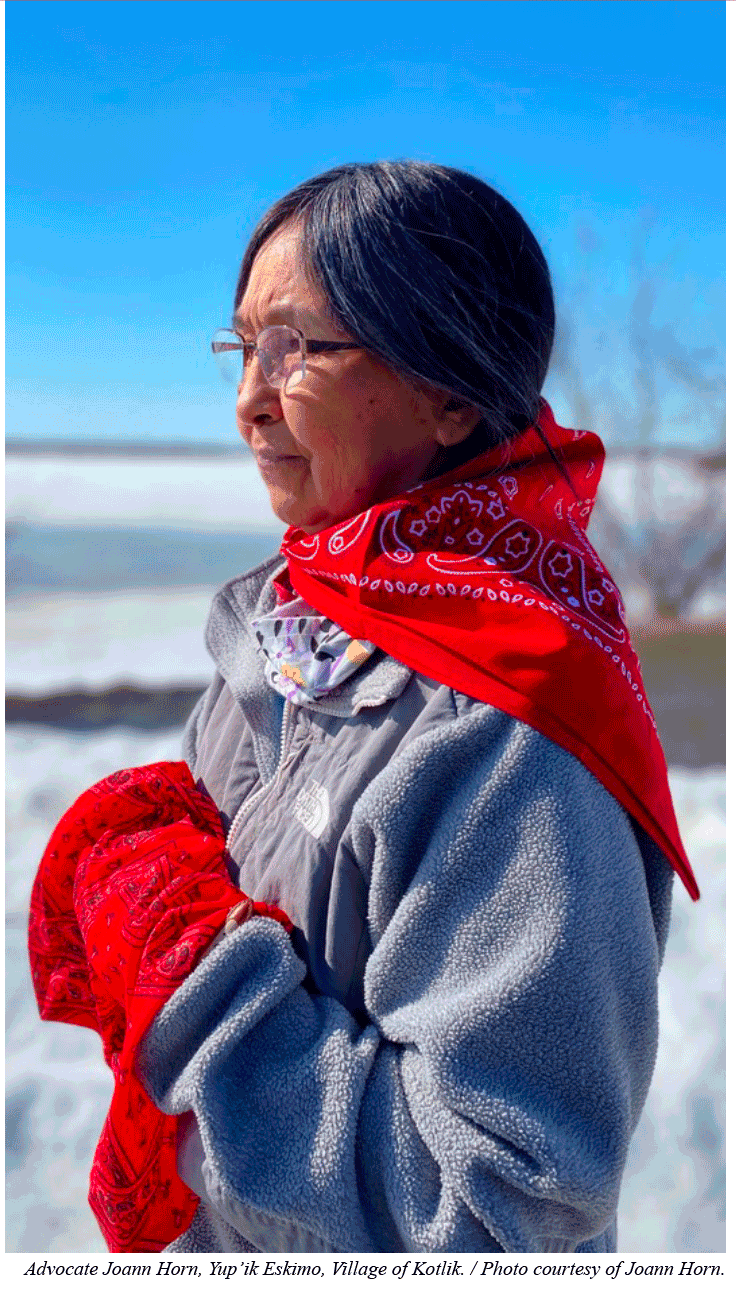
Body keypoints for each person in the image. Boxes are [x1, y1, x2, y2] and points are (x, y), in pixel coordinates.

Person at [31, 161, 698, 1256]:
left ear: (448, 390)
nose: (248, 397)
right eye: (243, 347)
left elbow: (498, 1216)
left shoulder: (513, 730)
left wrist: (193, 977)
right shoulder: (303, 611)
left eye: (297, 348)